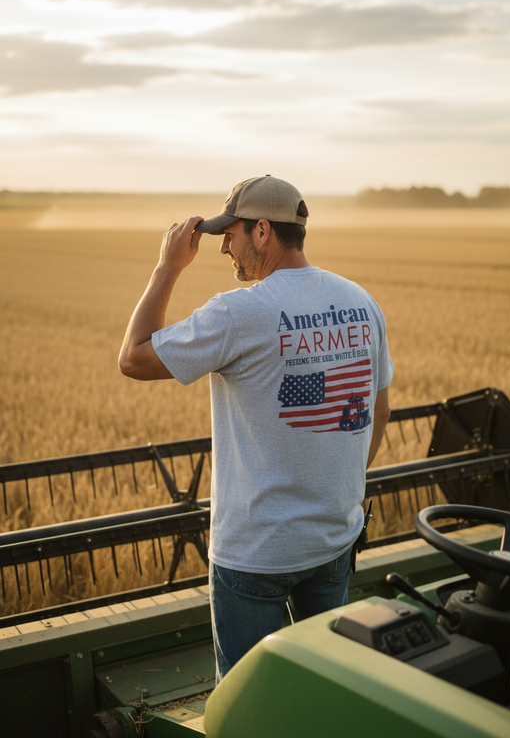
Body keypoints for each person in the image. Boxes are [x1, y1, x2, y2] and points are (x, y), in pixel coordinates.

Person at [119, 174, 394, 682]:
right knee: (329, 686)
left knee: (250, 703)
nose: (224, 246)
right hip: (335, 539)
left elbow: (134, 358)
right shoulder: (361, 302)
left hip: (255, 555)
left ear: (263, 231)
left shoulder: (240, 312)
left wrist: (167, 267)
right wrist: (332, 486)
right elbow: (380, 414)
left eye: (231, 233)